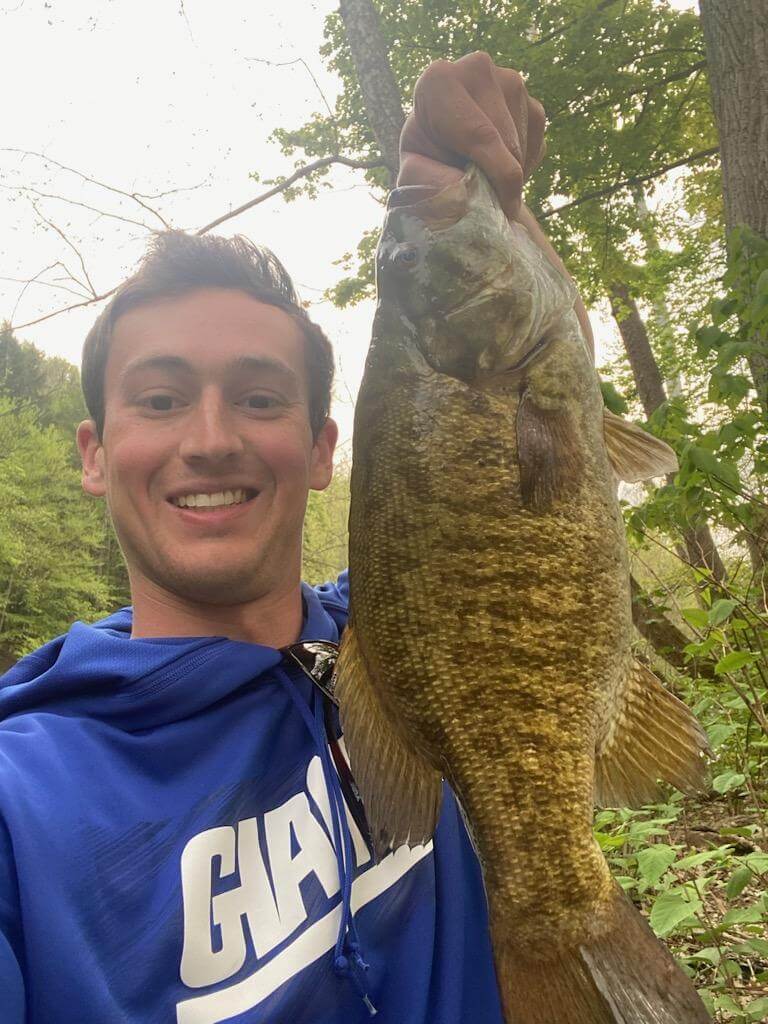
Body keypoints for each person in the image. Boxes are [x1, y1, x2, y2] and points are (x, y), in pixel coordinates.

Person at [0, 55, 588, 1022]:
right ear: (95, 453)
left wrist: (468, 197)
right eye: (160, 399)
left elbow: (547, 386)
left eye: (261, 398)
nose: (212, 438)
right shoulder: (20, 798)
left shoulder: (417, 637)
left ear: (320, 449)